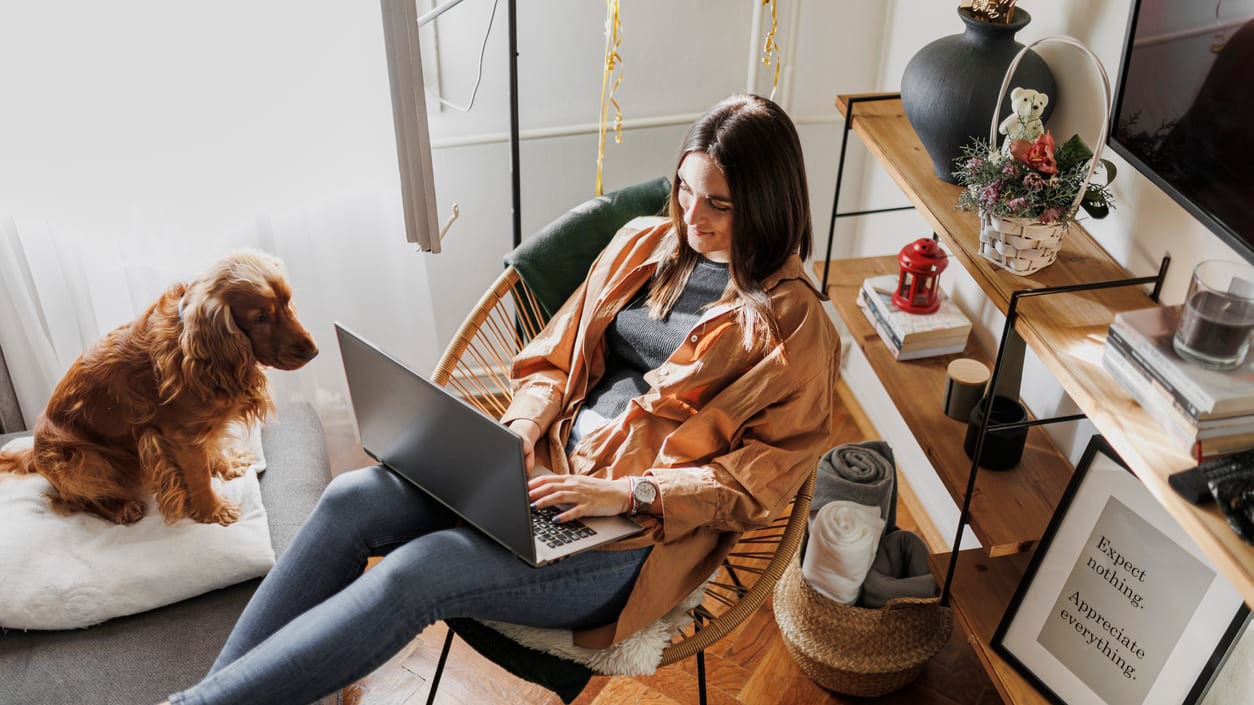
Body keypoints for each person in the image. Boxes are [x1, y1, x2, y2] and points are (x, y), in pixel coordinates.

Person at [163, 93, 839, 705]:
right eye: (685, 190)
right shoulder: (643, 244)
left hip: (625, 538)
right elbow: (552, 354)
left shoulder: (795, 326)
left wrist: (630, 493)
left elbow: (754, 481)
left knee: (418, 573)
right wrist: (519, 426)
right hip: (534, 472)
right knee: (350, 499)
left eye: (717, 204)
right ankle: (220, 693)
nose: (692, 216)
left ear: (767, 202)